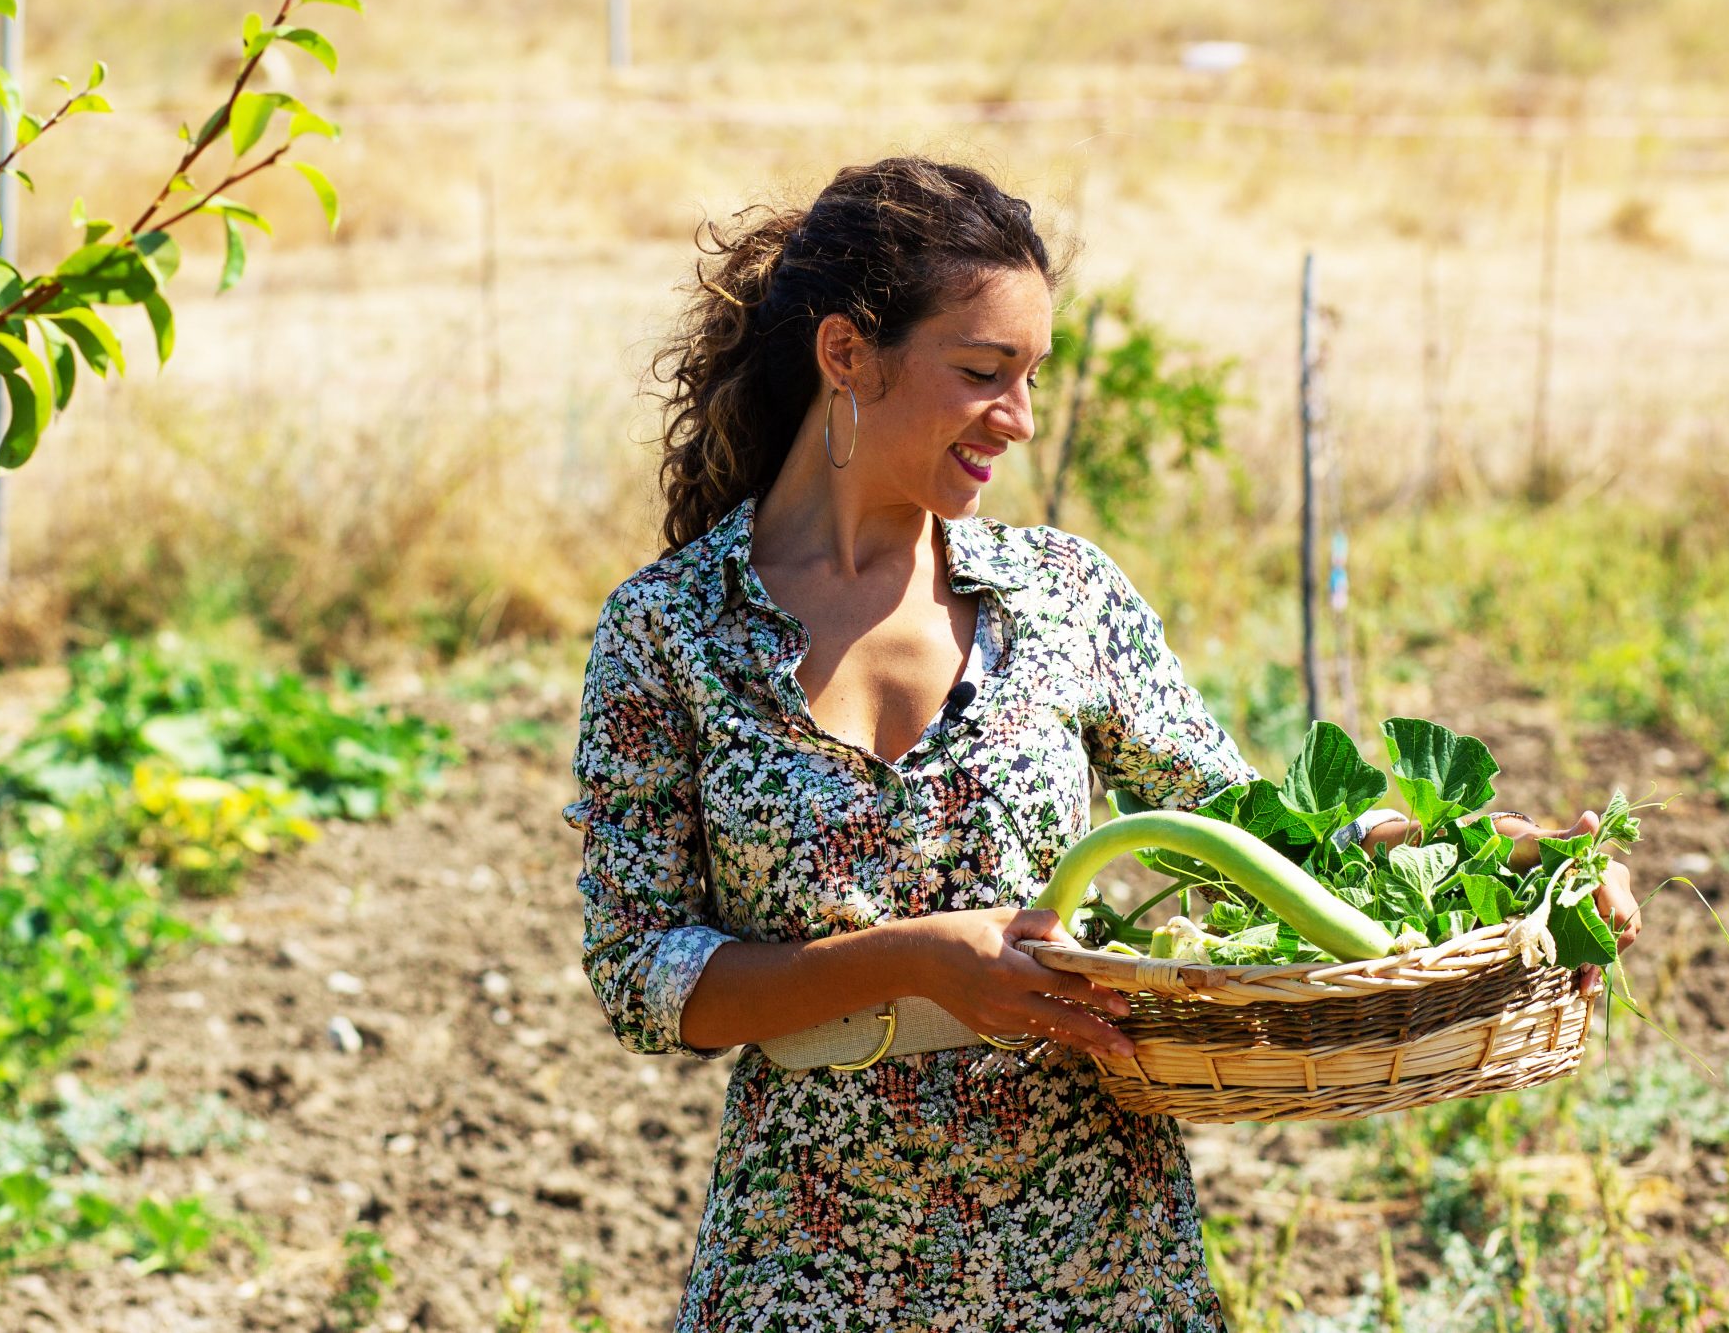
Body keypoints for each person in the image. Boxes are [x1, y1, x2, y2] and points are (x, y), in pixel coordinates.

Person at [562, 157, 1640, 1331]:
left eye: (1030, 378)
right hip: (809, 1255)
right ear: (844, 356)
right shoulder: (669, 630)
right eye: (983, 374)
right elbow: (644, 978)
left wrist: (1480, 857)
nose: (1018, 421)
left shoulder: (1060, 594)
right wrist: (916, 962)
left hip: (1088, 1244)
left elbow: (1238, 829)